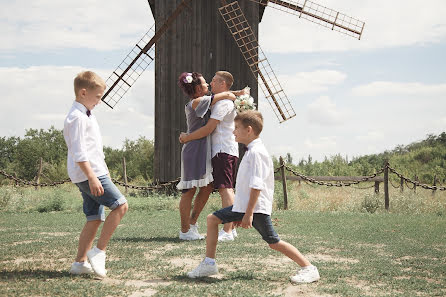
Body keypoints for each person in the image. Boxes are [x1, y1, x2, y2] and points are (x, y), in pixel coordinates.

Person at [187, 110, 320, 284]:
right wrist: (242, 212)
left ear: (248, 130)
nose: (233, 131)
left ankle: (309, 268)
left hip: (254, 208)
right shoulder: (251, 151)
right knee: (212, 219)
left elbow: (257, 187)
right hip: (242, 206)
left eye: (236, 128)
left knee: (273, 242)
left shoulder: (257, 153)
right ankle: (209, 263)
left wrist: (248, 214)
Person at [64, 71, 128, 278]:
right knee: (120, 205)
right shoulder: (77, 118)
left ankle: (79, 262)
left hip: (94, 171)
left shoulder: (84, 115)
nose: (100, 101)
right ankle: (98, 252)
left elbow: (93, 149)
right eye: (98, 96)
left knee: (94, 218)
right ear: (83, 92)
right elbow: (79, 152)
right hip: (88, 174)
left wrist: (104, 171)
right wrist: (92, 177)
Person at [179, 71, 243, 242]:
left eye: (212, 81)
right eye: (206, 82)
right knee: (190, 190)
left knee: (210, 187)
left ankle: (202, 225)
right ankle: (186, 229)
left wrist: (235, 94)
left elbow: (227, 94)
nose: (209, 83)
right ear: (198, 87)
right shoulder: (200, 102)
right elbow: (227, 93)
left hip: (207, 149)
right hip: (195, 149)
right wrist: (235, 94)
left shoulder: (214, 102)